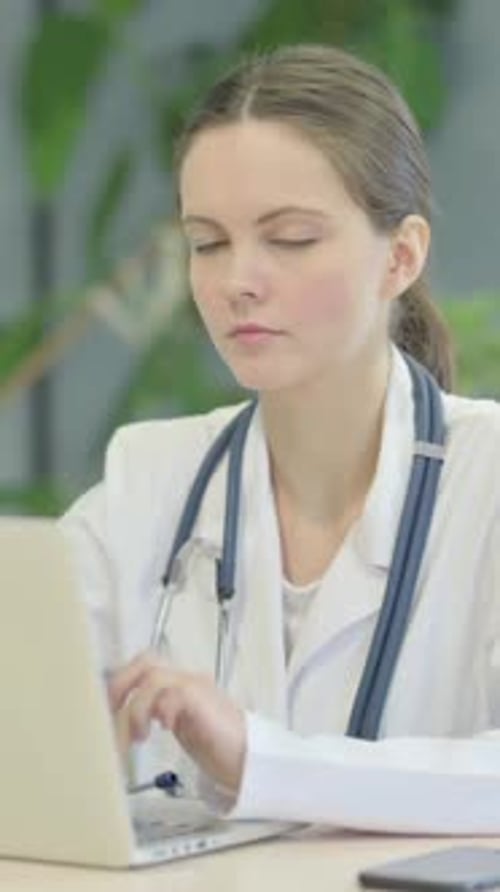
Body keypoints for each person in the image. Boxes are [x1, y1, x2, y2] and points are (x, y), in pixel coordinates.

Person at [61, 43, 500, 835]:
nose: (238, 281)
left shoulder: (486, 478)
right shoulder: (148, 481)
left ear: (401, 256)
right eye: (208, 243)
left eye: (291, 238)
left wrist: (261, 761)